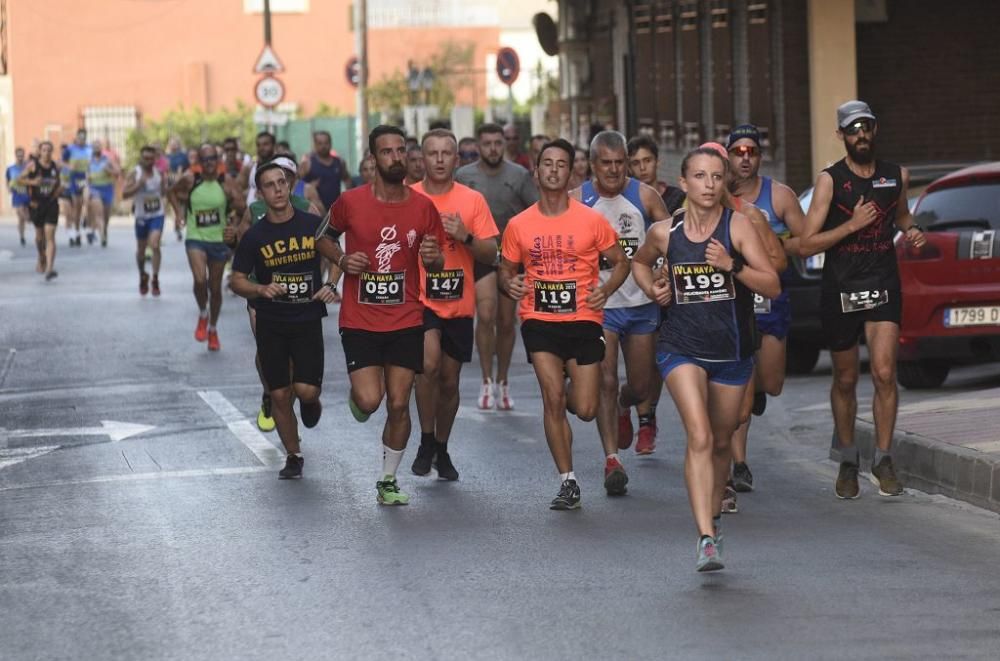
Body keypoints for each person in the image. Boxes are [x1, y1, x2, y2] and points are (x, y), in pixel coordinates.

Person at [633, 145, 779, 571]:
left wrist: (731, 266)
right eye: (700, 176)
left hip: (731, 354)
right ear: (684, 183)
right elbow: (640, 264)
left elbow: (772, 285)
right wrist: (651, 290)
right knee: (698, 435)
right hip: (680, 348)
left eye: (717, 177)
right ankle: (705, 539)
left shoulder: (739, 228)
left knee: (719, 441)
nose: (709, 184)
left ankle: (713, 515)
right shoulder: (665, 233)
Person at [800, 100, 925, 500]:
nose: (862, 135)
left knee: (886, 373)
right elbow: (805, 243)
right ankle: (849, 457)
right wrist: (851, 225)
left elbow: (901, 216)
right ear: (841, 135)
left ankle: (884, 459)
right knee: (847, 378)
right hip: (841, 287)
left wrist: (912, 230)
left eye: (867, 127)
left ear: (875, 130)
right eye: (853, 129)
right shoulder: (829, 181)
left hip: (882, 281)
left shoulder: (895, 175)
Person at [501, 138, 628, 509]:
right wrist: (510, 283)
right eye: (547, 164)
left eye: (561, 164)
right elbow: (506, 269)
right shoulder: (519, 225)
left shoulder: (591, 220)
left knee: (586, 408)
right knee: (552, 397)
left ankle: (573, 380)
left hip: (584, 318)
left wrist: (607, 291)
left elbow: (620, 261)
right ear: (536, 171)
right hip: (538, 319)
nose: (554, 170)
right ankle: (568, 481)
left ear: (572, 172)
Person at [325, 125, 445, 506]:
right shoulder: (350, 202)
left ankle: (388, 479)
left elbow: (438, 258)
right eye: (387, 152)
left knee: (398, 402)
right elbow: (321, 237)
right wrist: (343, 259)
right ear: (374, 160)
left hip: (406, 318)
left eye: (400, 150)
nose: (396, 157)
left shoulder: (424, 207)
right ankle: (360, 397)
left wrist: (433, 259)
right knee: (371, 399)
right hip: (359, 319)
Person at [571, 131, 670, 494]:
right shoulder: (579, 200)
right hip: (601, 306)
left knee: (640, 385)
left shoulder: (644, 196)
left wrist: (663, 269)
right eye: (605, 163)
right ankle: (612, 459)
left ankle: (628, 407)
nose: (613, 170)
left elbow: (670, 235)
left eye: (619, 163)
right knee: (607, 380)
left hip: (640, 303)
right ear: (592, 164)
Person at [230, 161, 340, 479]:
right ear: (260, 193)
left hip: (306, 318)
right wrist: (261, 288)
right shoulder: (255, 236)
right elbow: (236, 280)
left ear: (289, 186)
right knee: (279, 393)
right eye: (269, 185)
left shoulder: (310, 224)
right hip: (271, 322)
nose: (277, 189)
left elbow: (337, 255)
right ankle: (293, 455)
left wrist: (331, 284)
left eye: (281, 182)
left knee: (305, 391)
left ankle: (311, 402)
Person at [410, 129, 500, 481]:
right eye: (432, 153)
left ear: (457, 159)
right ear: (422, 158)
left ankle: (441, 448)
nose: (440, 159)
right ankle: (425, 439)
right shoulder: (410, 198)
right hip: (420, 299)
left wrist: (465, 235)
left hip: (458, 301)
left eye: (447, 153)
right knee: (427, 366)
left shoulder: (472, 200)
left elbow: (492, 253)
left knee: (449, 381)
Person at [725, 124, 806, 493]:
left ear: (760, 156)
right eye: (738, 151)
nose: (745, 158)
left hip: (770, 296)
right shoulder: (716, 195)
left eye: (751, 152)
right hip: (734, 298)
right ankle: (739, 464)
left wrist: (767, 244)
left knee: (770, 384)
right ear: (728, 156)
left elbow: (804, 243)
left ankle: (755, 390)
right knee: (742, 377)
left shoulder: (780, 196)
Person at [456, 123, 539, 410]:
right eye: (487, 143)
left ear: (504, 144)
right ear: (478, 146)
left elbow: (537, 211)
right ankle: (485, 381)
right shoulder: (464, 176)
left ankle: (503, 381)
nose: (493, 148)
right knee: (486, 314)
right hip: (479, 254)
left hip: (511, 257)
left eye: (497, 143)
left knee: (506, 321)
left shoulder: (519, 175)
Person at [169, 144, 244, 351]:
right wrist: (178, 214)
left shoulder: (226, 181)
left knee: (215, 287)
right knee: (200, 279)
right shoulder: (190, 179)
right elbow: (171, 193)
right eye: (205, 160)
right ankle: (203, 313)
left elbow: (242, 206)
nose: (209, 163)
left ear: (218, 160)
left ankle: (212, 328)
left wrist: (234, 225)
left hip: (219, 240)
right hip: (195, 237)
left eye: (213, 158)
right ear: (198, 163)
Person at [122, 145, 168, 296]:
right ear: (141, 158)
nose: (148, 161)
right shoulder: (135, 173)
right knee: (141, 251)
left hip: (157, 214)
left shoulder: (159, 173)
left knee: (155, 245)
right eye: (145, 158)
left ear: (155, 159)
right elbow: (124, 194)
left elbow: (163, 193)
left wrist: (166, 184)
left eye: (151, 158)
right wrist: (138, 185)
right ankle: (143, 275)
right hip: (141, 217)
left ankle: (155, 278)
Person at [19, 141, 62, 280]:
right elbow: (19, 180)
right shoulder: (33, 166)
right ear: (40, 152)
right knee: (39, 237)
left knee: (50, 236)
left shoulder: (56, 167)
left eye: (49, 150)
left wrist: (58, 191)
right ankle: (41, 256)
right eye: (44, 150)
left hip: (51, 204)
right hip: (37, 205)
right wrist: (32, 182)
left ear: (52, 151)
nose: (47, 152)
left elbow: (60, 183)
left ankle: (49, 268)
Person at [627, 135, 686, 214]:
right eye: (636, 163)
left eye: (647, 160)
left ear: (657, 162)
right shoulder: (626, 201)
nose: (642, 167)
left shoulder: (677, 197)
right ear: (629, 168)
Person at [86, 141, 120, 247]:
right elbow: (87, 177)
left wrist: (109, 170)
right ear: (92, 149)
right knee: (99, 214)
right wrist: (88, 184)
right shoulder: (89, 161)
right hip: (95, 189)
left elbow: (117, 172)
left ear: (101, 148)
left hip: (107, 189)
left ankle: (104, 231)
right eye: (94, 146)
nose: (96, 148)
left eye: (98, 146)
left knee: (106, 216)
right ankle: (102, 237)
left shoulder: (107, 160)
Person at [237, 131, 278, 209]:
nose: (261, 148)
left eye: (265, 144)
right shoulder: (250, 167)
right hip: (251, 213)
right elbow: (239, 188)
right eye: (258, 145)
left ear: (274, 146)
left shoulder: (280, 167)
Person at [65, 130, 92, 247]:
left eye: (84, 138)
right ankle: (76, 232)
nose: (82, 140)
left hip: (86, 179)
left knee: (87, 201)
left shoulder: (89, 149)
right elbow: (61, 162)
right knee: (77, 207)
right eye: (80, 137)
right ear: (76, 138)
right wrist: (69, 167)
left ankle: (85, 222)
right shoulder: (70, 149)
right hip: (74, 179)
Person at [6, 147, 30, 246]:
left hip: (26, 193)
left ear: (23, 155)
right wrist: (8, 188)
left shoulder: (27, 167)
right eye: (18, 155)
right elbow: (7, 180)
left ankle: (26, 225)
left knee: (24, 216)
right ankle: (22, 236)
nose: (20, 157)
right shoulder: (10, 169)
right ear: (15, 156)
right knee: (20, 215)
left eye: (21, 155)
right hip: (17, 194)